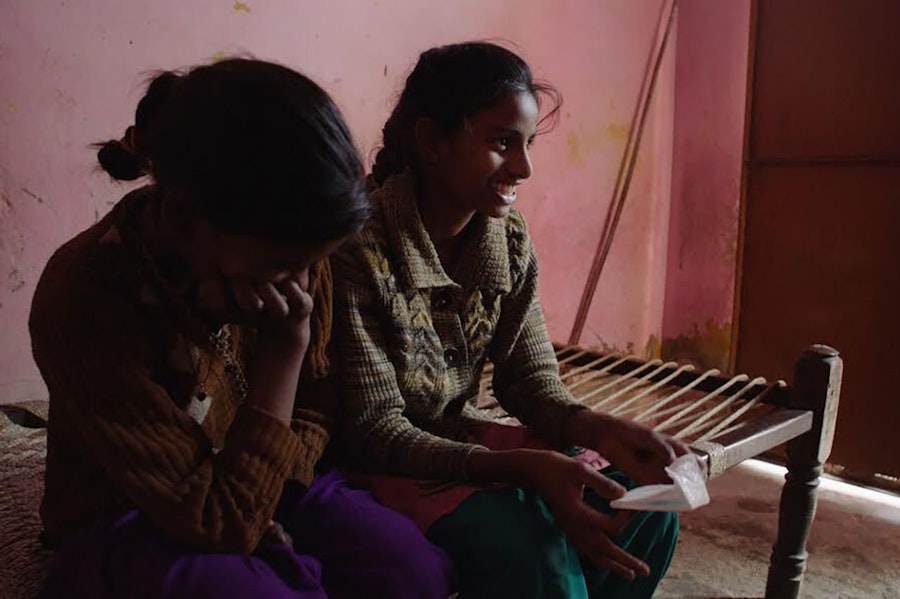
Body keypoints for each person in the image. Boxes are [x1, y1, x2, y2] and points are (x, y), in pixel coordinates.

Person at [29, 58, 452, 599]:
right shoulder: (84, 297)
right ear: (182, 218)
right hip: (133, 512)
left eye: (310, 263)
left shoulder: (294, 241)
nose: (300, 288)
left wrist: (264, 497)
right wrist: (283, 351)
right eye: (280, 270)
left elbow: (319, 402)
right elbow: (211, 519)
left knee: (412, 573)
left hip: (264, 474)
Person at [332, 42, 683, 599]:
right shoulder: (359, 248)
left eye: (528, 143)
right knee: (523, 539)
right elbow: (374, 430)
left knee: (645, 508)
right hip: (376, 459)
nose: (523, 167)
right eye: (501, 143)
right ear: (431, 141)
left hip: (457, 436)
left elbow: (529, 378)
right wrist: (519, 467)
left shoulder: (507, 239)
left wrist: (598, 428)